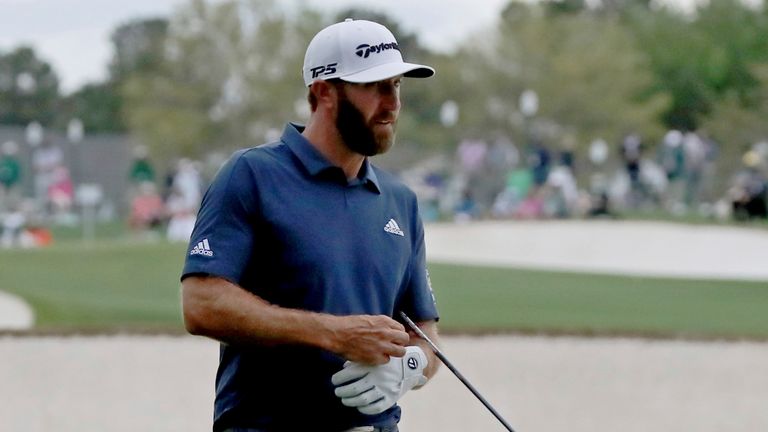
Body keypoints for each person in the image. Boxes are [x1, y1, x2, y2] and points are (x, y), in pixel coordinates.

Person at [181, 18, 441, 432]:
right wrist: (334, 334)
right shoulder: (252, 175)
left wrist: (409, 367)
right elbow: (201, 304)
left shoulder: (401, 202)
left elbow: (423, 332)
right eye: (375, 87)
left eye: (396, 86)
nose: (391, 104)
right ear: (324, 92)